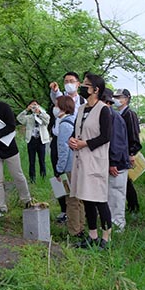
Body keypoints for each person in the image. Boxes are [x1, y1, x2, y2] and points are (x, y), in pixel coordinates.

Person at [68, 74, 113, 249]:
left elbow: (106, 136)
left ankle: (106, 238)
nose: (83, 88)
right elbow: (76, 131)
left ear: (96, 89)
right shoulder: (81, 109)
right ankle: (92, 236)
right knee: (86, 199)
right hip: (81, 160)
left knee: (99, 199)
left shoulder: (103, 109)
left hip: (95, 160)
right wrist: (72, 140)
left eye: (86, 86)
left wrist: (85, 143)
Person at [48, 72, 86, 223]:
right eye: (66, 81)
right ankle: (64, 209)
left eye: (71, 81)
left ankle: (74, 212)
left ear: (78, 83)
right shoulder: (61, 97)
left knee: (70, 174)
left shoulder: (82, 101)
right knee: (58, 174)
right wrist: (54, 90)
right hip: (58, 139)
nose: (68, 83)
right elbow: (56, 98)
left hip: (74, 141)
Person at [53, 95, 85, 238]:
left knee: (71, 200)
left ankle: (74, 230)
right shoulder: (75, 120)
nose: (54, 108)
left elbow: (63, 149)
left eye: (56, 105)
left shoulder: (64, 124)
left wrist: (59, 170)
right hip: (79, 165)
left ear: (62, 107)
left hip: (69, 167)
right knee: (80, 199)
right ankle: (82, 226)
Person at [102, 89, 131, 232]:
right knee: (109, 195)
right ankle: (110, 224)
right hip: (110, 162)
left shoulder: (114, 118)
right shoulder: (108, 116)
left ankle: (118, 226)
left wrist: (113, 162)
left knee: (117, 195)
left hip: (117, 164)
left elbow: (117, 142)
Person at [112, 88, 143, 215]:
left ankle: (133, 207)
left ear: (127, 99)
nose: (117, 100)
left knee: (127, 181)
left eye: (120, 97)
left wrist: (132, 153)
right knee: (125, 180)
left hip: (127, 152)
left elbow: (134, 135)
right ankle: (131, 206)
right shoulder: (119, 114)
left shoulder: (129, 114)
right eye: (116, 97)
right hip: (121, 151)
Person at [17, 100, 50, 183]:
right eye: (32, 105)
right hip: (31, 140)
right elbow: (19, 119)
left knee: (42, 160)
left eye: (35, 105)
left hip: (41, 140)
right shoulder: (29, 117)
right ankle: (32, 178)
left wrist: (40, 113)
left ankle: (43, 177)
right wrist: (26, 110)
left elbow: (47, 121)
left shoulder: (43, 114)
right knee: (31, 160)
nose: (34, 107)